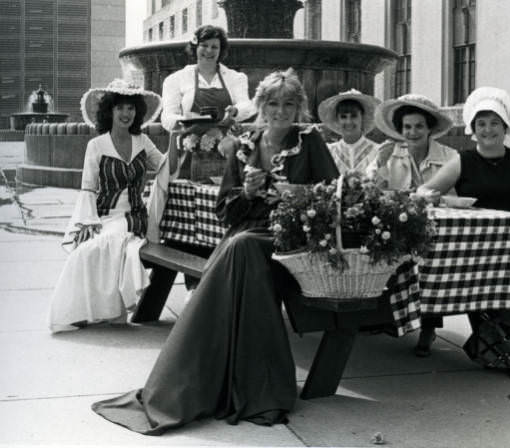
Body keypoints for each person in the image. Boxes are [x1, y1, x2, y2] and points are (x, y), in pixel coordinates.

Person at [91, 68, 339, 434]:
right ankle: (194, 383)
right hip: (246, 235)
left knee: (238, 249)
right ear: (261, 106)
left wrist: (293, 193)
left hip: (294, 236)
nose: (280, 111)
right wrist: (249, 193)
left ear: (299, 107)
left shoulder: (310, 141)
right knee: (237, 247)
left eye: (289, 104)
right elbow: (225, 209)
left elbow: (333, 196)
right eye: (273, 103)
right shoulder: (245, 146)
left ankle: (258, 384)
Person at [417, 86, 510, 379]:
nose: (488, 130)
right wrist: (450, 200)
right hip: (474, 255)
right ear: (473, 129)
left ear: (505, 127)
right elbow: (424, 192)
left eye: (494, 122)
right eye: (481, 123)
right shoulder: (463, 161)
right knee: (481, 293)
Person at [48, 79, 178, 333]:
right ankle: (81, 311)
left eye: (131, 108)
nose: (126, 113)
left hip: (135, 217)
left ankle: (102, 309)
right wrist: (87, 222)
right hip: (103, 216)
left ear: (137, 112)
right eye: (120, 108)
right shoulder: (96, 145)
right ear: (110, 111)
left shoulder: (142, 142)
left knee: (112, 241)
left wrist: (176, 138)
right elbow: (87, 188)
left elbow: (167, 169)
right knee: (84, 251)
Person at [160, 25, 256, 299]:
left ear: (221, 50)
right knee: (191, 216)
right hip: (191, 153)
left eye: (215, 46)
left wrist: (235, 111)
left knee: (223, 212)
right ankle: (194, 285)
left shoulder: (235, 77)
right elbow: (167, 116)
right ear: (195, 47)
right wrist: (183, 121)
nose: (209, 51)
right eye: (204, 45)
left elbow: (249, 106)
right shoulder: (177, 79)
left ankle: (223, 282)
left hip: (225, 151)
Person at [370, 94, 457, 357]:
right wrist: (380, 165)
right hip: (398, 226)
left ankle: (428, 327)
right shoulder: (387, 153)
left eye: (419, 126)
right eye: (407, 127)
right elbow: (369, 190)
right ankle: (390, 317)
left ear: (429, 128)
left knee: (432, 265)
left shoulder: (449, 156)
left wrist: (438, 197)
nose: (413, 132)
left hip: (438, 228)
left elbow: (457, 196)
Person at [317, 89, 381, 174]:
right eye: (343, 117)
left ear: (362, 117)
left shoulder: (377, 151)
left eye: (354, 116)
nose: (349, 122)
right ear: (337, 119)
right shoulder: (329, 152)